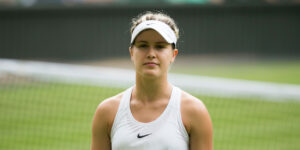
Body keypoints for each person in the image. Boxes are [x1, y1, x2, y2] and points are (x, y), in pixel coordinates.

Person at [91, 11, 213, 150]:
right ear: (132, 52)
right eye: (143, 45)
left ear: (173, 55)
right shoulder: (107, 111)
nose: (151, 54)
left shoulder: (195, 111)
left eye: (160, 46)